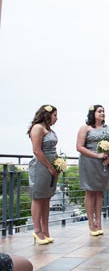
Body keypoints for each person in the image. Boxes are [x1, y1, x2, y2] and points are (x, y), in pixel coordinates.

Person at [76, 105, 109, 237]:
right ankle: (91, 223)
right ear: (93, 113)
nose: (102, 113)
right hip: (89, 162)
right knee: (90, 192)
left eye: (103, 111)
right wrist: (97, 155)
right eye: (99, 111)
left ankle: (99, 222)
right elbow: (79, 147)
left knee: (99, 193)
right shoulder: (85, 128)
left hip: (104, 163)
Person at [27, 104, 59, 245]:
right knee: (38, 197)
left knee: (47, 198)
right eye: (55, 115)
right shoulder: (37, 128)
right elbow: (37, 150)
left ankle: (46, 230)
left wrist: (57, 164)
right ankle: (37, 230)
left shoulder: (49, 130)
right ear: (47, 115)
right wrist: (49, 166)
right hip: (41, 166)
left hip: (52, 165)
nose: (56, 118)